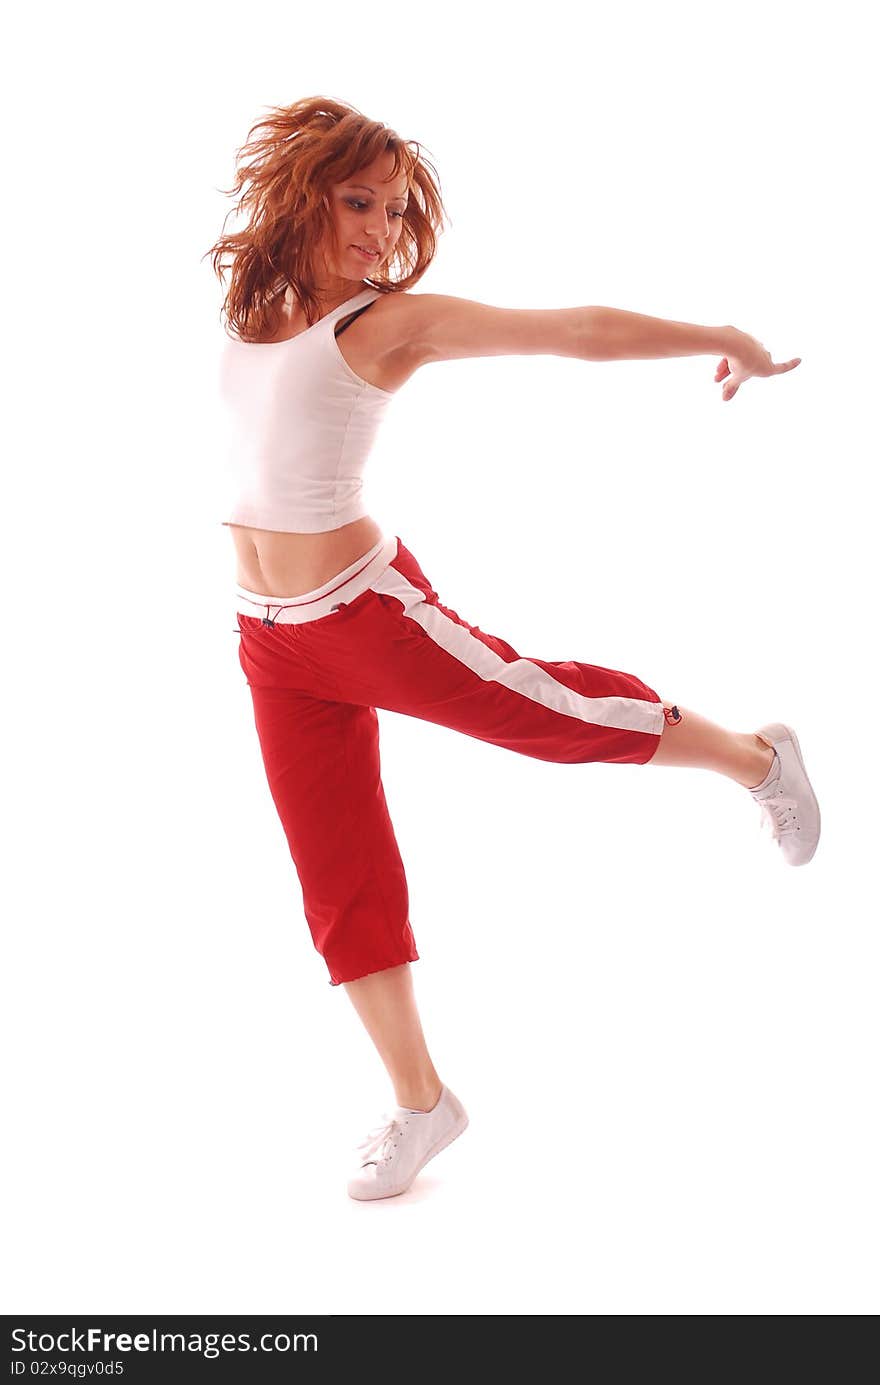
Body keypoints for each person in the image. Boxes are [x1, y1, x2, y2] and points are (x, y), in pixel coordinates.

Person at [206, 96, 818, 1203]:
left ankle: (756, 757)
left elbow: (572, 329)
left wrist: (718, 336)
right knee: (337, 876)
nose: (379, 229)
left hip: (363, 611)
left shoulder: (384, 325)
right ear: (303, 195)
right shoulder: (262, 312)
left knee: (554, 718)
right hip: (269, 638)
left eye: (393, 211)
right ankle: (419, 1103)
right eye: (358, 202)